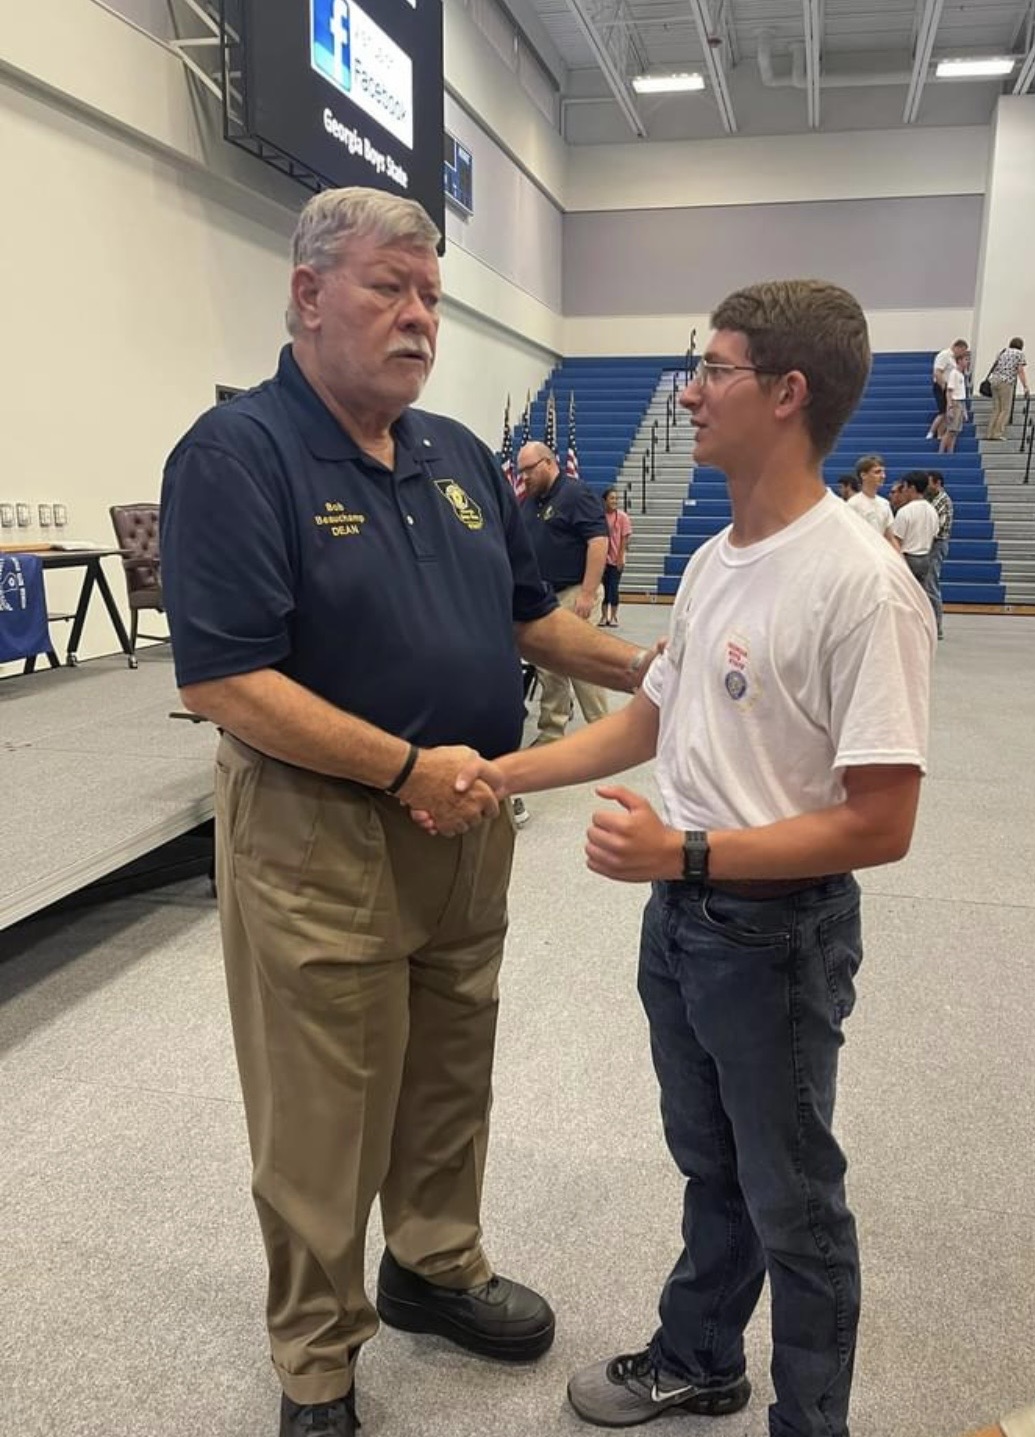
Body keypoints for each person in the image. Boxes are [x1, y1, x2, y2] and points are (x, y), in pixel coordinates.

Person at [159, 186, 656, 1437]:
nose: (419, 317)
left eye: (432, 294)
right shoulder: (236, 455)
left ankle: (433, 1264)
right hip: (322, 830)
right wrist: (400, 767)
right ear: (309, 293)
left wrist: (657, 669)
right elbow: (225, 676)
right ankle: (317, 1361)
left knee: (450, 1063)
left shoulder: (459, 457)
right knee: (324, 1101)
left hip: (469, 818)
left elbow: (529, 619)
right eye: (391, 287)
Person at [449, 279, 934, 1436]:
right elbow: (655, 718)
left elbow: (883, 821)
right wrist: (498, 773)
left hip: (775, 935)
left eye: (712, 368)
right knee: (711, 1166)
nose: (690, 390)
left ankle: (811, 1420)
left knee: (796, 1202)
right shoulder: (716, 556)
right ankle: (701, 1356)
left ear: (786, 393)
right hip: (688, 922)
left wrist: (690, 848)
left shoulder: (864, 587)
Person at [518, 440, 610, 742]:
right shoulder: (529, 503)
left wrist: (587, 592)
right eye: (521, 472)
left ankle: (602, 732)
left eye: (529, 470)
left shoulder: (575, 494)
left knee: (584, 664)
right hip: (542, 597)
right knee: (548, 668)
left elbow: (598, 542)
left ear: (548, 463)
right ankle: (552, 732)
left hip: (573, 592)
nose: (524, 478)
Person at [892, 471, 941, 588]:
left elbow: (897, 540)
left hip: (909, 558)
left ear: (912, 488)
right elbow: (935, 534)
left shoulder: (905, 511)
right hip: (925, 557)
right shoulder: (932, 510)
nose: (903, 490)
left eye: (904, 487)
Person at [925, 470, 954, 639]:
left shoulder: (942, 501)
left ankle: (937, 627)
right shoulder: (934, 500)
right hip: (934, 544)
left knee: (931, 584)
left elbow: (935, 527)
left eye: (929, 483)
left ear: (937, 483)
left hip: (937, 544)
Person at [983, 338, 1030, 441]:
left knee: (996, 409)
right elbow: (1020, 371)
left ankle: (989, 433)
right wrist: (1025, 386)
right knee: (1005, 409)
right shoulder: (1019, 354)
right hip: (1006, 382)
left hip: (994, 380)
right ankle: (997, 433)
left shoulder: (1002, 352)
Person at [599, 486, 633, 627]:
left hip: (616, 559)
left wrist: (620, 557)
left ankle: (613, 617)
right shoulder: (599, 516)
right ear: (605, 500)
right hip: (602, 560)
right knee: (603, 589)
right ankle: (603, 616)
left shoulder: (623, 517)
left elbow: (625, 539)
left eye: (616, 498)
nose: (614, 501)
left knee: (613, 589)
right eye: (611, 498)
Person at [846, 453, 895, 544]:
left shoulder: (884, 503)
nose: (883, 476)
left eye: (883, 472)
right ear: (863, 475)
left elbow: (890, 537)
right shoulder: (853, 504)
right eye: (877, 472)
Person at [926, 338, 969, 441]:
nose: (963, 353)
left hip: (950, 387)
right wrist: (944, 386)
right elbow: (937, 372)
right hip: (942, 386)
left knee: (946, 412)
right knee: (943, 411)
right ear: (957, 347)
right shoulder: (945, 355)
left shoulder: (954, 359)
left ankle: (940, 434)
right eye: (963, 350)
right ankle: (931, 431)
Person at [939, 352, 969, 455]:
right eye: (965, 359)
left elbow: (962, 394)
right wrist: (950, 407)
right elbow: (949, 391)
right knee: (950, 430)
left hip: (960, 402)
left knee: (956, 431)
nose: (967, 362)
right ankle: (941, 451)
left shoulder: (961, 374)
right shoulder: (954, 373)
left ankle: (950, 452)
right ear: (959, 361)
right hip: (955, 402)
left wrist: (964, 410)